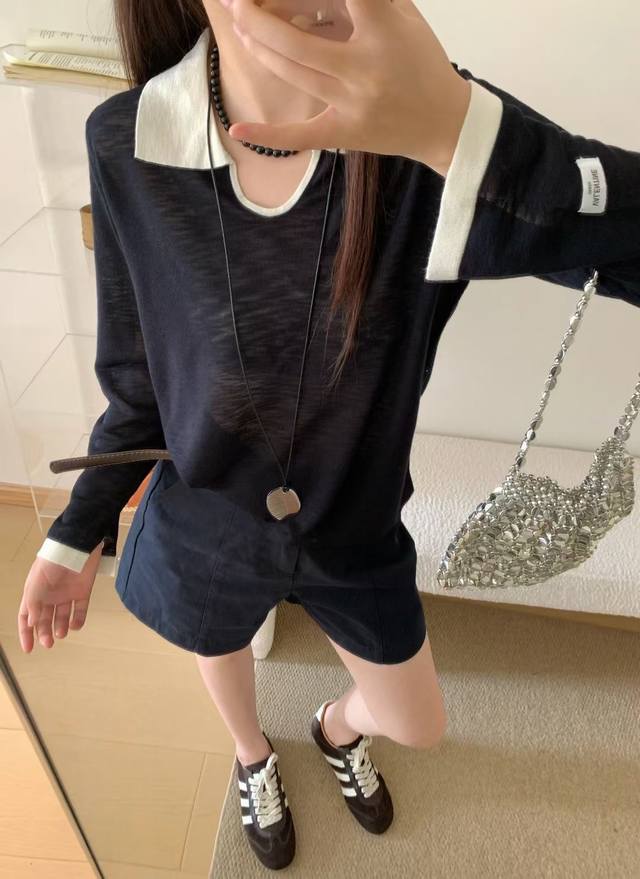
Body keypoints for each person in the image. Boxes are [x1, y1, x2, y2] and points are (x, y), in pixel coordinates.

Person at [18, 0, 640, 870]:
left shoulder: (427, 138)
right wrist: (75, 528)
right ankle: (252, 755)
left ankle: (334, 728)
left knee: (417, 722)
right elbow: (136, 378)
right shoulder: (130, 141)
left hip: (353, 528)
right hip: (206, 522)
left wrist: (460, 134)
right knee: (220, 647)